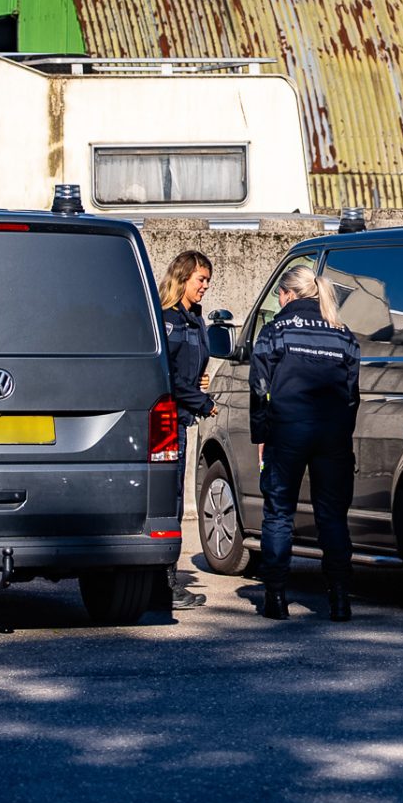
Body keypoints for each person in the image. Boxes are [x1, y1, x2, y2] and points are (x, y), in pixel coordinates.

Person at [249, 264, 360, 622]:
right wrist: (343, 432)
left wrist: (261, 435)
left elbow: (259, 389)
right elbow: (352, 394)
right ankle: (340, 600)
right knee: (332, 517)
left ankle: (276, 599)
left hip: (288, 432)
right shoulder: (343, 334)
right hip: (332, 435)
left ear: (289, 294)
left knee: (279, 513)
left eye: (279, 296)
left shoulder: (275, 330)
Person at [158, 250, 217, 611]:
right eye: (201, 280)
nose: (206, 286)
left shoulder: (193, 319)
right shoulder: (167, 319)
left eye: (208, 280)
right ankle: (166, 584)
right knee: (170, 504)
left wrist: (200, 381)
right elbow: (171, 377)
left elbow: (189, 370)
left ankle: (167, 581)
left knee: (175, 504)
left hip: (182, 419)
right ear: (183, 278)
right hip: (170, 423)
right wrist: (203, 401)